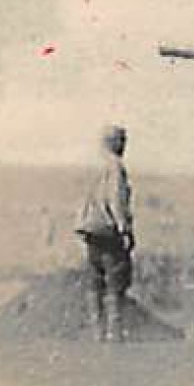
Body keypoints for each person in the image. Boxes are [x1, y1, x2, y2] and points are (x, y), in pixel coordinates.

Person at [74, 125, 135, 342]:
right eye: (123, 140)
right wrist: (124, 229)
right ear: (117, 143)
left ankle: (96, 331)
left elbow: (82, 199)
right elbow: (116, 199)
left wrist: (80, 224)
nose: (125, 145)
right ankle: (113, 332)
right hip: (109, 232)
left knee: (94, 281)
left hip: (91, 230)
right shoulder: (116, 167)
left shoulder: (93, 166)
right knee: (114, 281)